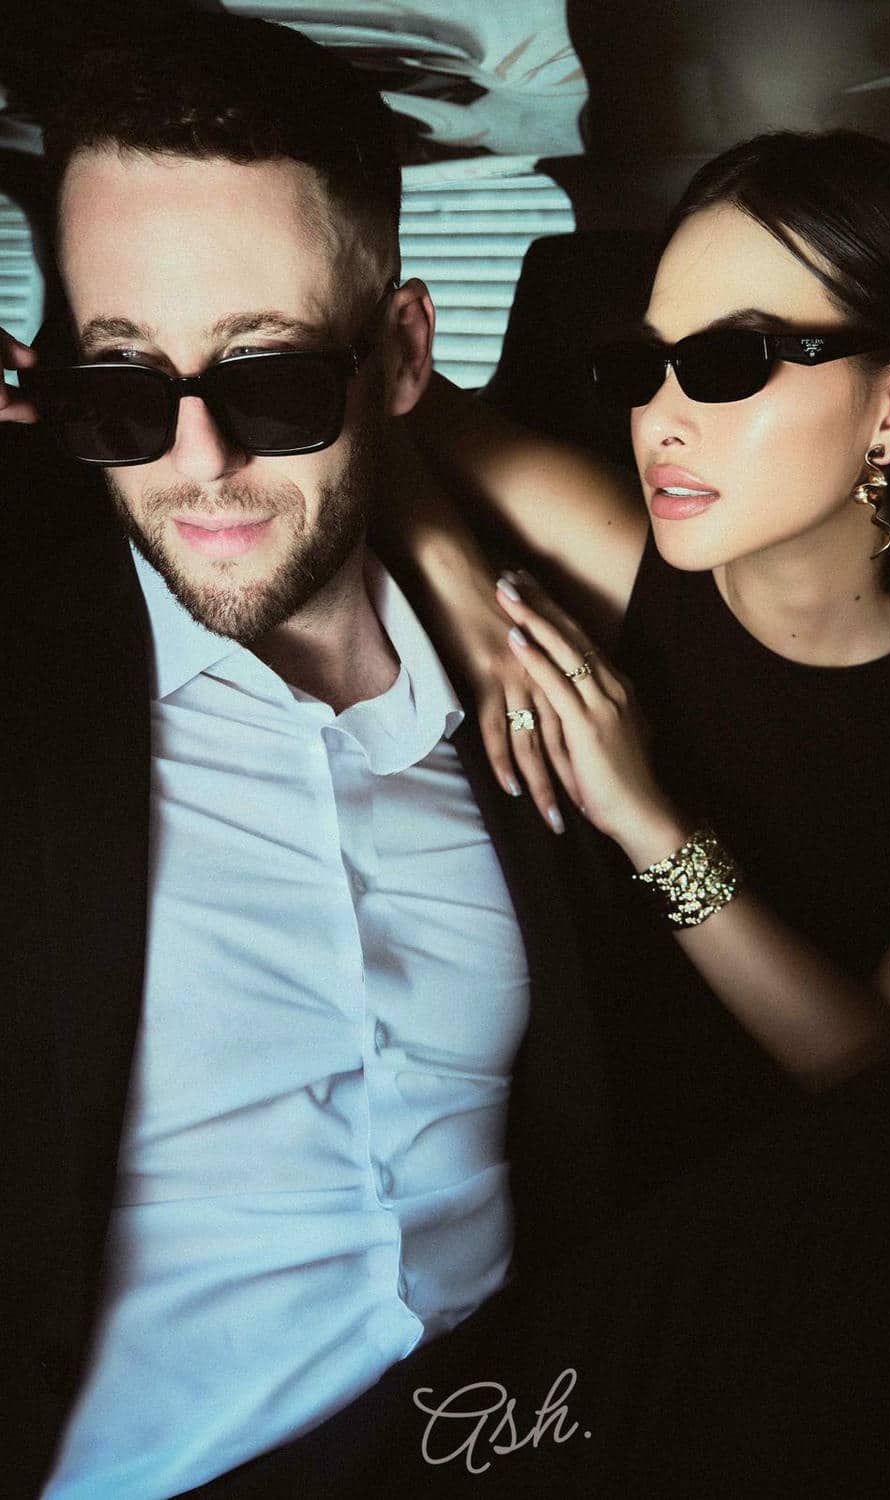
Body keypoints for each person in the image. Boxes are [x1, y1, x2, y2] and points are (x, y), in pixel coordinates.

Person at [0, 14, 618, 1497]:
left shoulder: (536, 678)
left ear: (402, 354)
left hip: (526, 1429)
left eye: (269, 380)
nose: (199, 461)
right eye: (123, 389)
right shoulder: (35, 674)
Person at [395, 128, 890, 1182]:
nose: (658, 422)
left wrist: (646, 820)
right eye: (644, 365)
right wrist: (463, 590)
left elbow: (882, 1077)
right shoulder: (620, 552)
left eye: (727, 363)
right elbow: (381, 394)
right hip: (595, 1196)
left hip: (843, 1216)